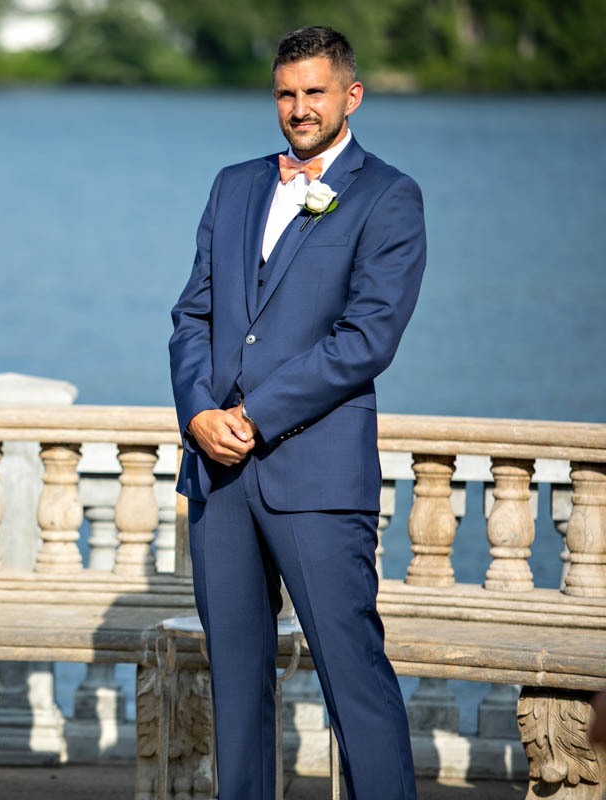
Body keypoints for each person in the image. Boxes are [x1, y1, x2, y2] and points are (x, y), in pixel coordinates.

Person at [168, 26, 424, 799]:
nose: (299, 107)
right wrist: (200, 414)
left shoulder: (389, 195)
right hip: (219, 477)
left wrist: (254, 415)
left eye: (315, 92)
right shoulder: (232, 184)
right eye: (287, 93)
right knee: (236, 692)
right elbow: (193, 316)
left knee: (356, 682)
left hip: (315, 476)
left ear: (351, 95)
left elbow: (366, 339)